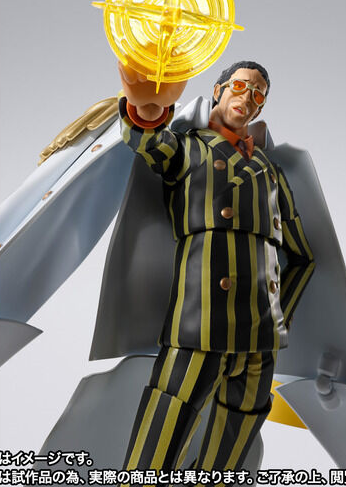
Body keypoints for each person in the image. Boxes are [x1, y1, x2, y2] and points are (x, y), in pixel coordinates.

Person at [117, 60, 315, 475]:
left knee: (224, 470)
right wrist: (148, 109)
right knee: (151, 462)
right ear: (219, 89)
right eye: (241, 86)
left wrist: (278, 319)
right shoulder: (189, 148)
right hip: (198, 330)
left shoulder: (271, 172)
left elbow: (302, 258)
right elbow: (149, 142)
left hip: (260, 344)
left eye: (258, 94)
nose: (248, 97)